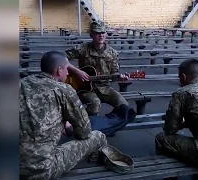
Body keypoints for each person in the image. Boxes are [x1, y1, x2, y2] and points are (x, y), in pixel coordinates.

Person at [19, 51, 108, 180]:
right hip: (39, 171)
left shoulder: (22, 83)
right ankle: (94, 166)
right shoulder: (64, 90)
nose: (68, 73)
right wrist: (66, 123)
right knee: (98, 137)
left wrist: (60, 121)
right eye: (67, 69)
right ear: (59, 70)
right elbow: (85, 132)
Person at [155, 59, 198, 177]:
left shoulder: (182, 93)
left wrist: (180, 123)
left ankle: (168, 175)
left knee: (162, 138)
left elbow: (170, 129)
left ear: (183, 76)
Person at [65, 21, 129, 116]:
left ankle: (109, 123)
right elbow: (61, 58)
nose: (101, 35)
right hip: (84, 88)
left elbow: (114, 73)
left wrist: (120, 78)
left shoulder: (113, 53)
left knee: (124, 106)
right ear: (91, 35)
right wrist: (77, 71)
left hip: (105, 88)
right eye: (97, 33)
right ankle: (85, 126)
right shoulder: (83, 48)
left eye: (103, 32)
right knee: (95, 104)